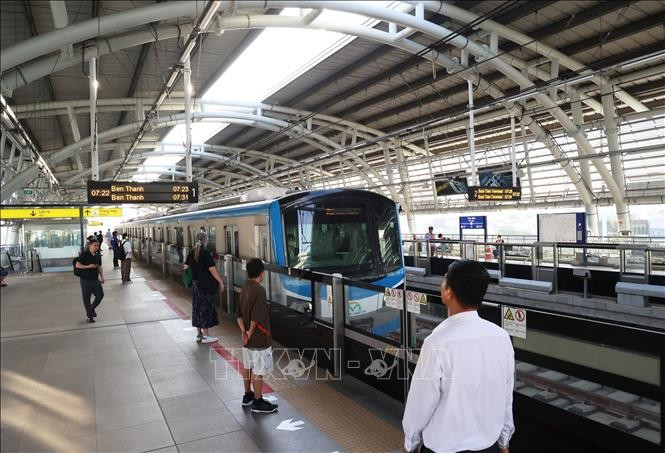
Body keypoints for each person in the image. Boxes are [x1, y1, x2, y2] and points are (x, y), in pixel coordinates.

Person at [402, 260, 515, 453]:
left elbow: (420, 403)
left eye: (445, 280)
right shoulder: (501, 337)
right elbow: (506, 396)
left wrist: (409, 443)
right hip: (488, 447)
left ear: (448, 292)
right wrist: (504, 441)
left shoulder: (436, 342)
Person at [236, 258, 278, 414]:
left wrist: (244, 333)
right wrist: (250, 332)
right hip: (258, 338)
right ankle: (258, 401)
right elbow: (257, 316)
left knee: (247, 366)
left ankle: (248, 395)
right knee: (259, 371)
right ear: (262, 273)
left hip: (246, 339)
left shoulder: (244, 288)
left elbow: (238, 315)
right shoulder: (259, 290)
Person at [184, 232, 224, 343]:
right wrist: (220, 281)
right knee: (205, 308)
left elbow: (185, 266)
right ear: (205, 240)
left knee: (197, 308)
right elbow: (212, 269)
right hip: (205, 286)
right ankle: (206, 336)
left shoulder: (192, 252)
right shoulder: (205, 253)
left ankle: (199, 335)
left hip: (196, 285)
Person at [75, 238, 105, 323]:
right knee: (86, 298)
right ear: (90, 246)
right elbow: (77, 265)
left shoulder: (98, 255)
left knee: (100, 295)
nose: (97, 247)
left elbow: (99, 267)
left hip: (95, 279)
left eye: (98, 246)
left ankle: (91, 308)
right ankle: (90, 316)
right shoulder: (84, 255)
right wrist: (88, 266)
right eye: (95, 245)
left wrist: (102, 277)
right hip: (85, 280)